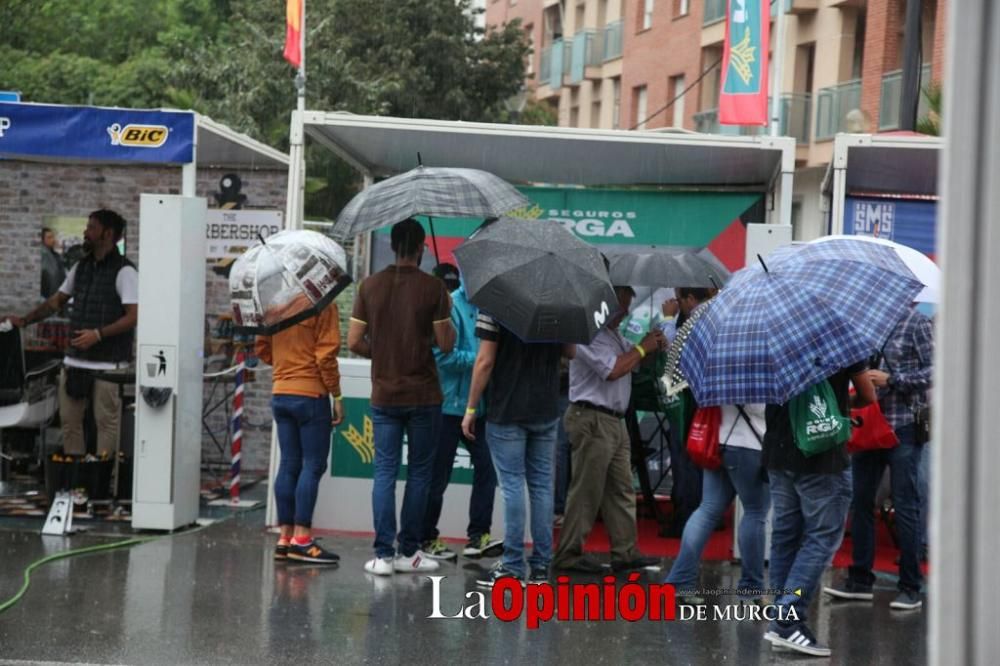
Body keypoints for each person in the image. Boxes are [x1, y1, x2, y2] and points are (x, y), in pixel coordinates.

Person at [348, 218, 456, 576]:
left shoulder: (369, 286)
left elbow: (352, 342)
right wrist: (445, 313)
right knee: (420, 474)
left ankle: (382, 555)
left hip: (384, 394)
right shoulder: (434, 288)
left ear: (394, 246)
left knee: (384, 472)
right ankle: (410, 551)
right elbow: (446, 344)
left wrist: (381, 354)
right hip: (424, 394)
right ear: (422, 249)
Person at [762, 364, 876, 657]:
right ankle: (788, 619)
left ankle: (781, 619)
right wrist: (840, 403)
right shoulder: (836, 336)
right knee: (822, 537)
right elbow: (868, 395)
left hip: (778, 448)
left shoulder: (770, 335)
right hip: (821, 454)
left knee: (785, 535)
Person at [824, 306, 933, 611]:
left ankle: (911, 586)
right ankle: (860, 579)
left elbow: (936, 370)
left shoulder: (917, 323)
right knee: (860, 501)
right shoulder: (864, 321)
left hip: (903, 427)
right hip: (867, 425)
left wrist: (892, 379)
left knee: (906, 504)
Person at [6, 210, 137, 458]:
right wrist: (24, 320)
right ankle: (77, 480)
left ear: (107, 234)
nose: (85, 232)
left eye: (91, 228)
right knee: (69, 424)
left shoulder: (125, 271)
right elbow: (56, 302)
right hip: (75, 360)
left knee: (106, 425)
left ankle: (101, 482)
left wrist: (98, 334)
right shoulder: (81, 267)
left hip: (110, 364)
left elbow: (133, 316)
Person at [552, 285, 664, 574]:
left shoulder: (613, 333)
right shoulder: (586, 333)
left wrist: (649, 346)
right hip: (593, 418)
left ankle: (625, 552)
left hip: (613, 419)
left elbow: (632, 362)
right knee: (586, 491)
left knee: (622, 489)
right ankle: (568, 554)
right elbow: (613, 369)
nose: (625, 312)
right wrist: (642, 347)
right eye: (622, 306)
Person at [462, 314, 574, 587]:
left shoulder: (496, 305)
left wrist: (471, 408)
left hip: (507, 408)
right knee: (542, 488)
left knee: (512, 486)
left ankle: (512, 566)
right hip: (545, 407)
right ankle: (540, 567)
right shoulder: (558, 304)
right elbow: (570, 352)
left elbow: (485, 360)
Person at [420, 263, 503, 561]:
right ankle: (426, 537)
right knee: (437, 476)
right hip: (446, 407)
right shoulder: (449, 304)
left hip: (477, 407)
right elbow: (442, 356)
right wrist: (482, 361)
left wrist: (487, 362)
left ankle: (478, 536)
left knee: (487, 469)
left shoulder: (492, 308)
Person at [256, 300, 344, 564]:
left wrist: (285, 365)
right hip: (311, 395)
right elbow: (325, 355)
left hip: (281, 392)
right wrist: (337, 395)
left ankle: (285, 539)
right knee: (312, 465)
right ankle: (303, 540)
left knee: (289, 463)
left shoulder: (274, 305)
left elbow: (261, 347)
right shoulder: (323, 304)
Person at [665, 404, 770, 604]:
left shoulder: (718, 372)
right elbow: (761, 409)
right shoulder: (760, 372)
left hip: (718, 440)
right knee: (755, 513)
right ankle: (751, 590)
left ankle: (680, 582)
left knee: (707, 510)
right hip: (751, 445)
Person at [660, 287, 713, 536]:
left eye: (679, 300)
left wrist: (668, 319)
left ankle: (687, 519)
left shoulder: (696, 320)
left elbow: (672, 348)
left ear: (690, 299)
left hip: (689, 400)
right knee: (698, 462)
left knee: (687, 461)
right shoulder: (714, 316)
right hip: (703, 401)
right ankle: (700, 514)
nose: (677, 304)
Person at [40, 227, 66, 299]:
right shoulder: (45, 254)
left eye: (53, 237)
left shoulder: (50, 252)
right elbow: (53, 276)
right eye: (49, 237)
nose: (53, 240)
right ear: (42, 240)